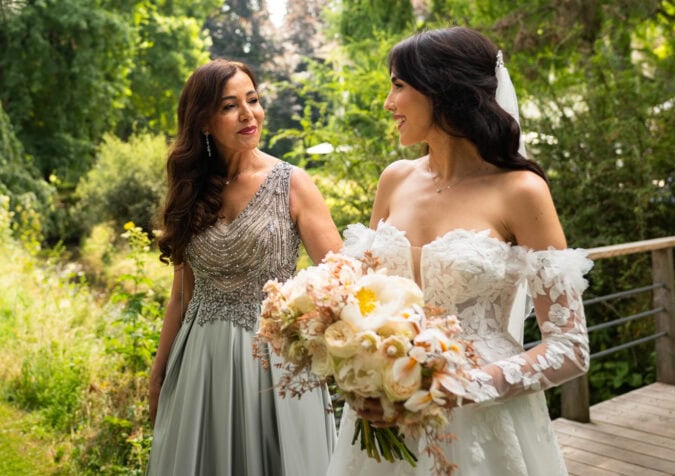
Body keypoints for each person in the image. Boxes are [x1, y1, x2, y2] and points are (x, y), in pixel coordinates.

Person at [327, 27, 593, 475]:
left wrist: (455, 386)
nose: (388, 104)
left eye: (398, 85)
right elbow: (359, 296)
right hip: (384, 413)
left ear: (443, 90)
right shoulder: (394, 179)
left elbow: (570, 347)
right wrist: (360, 365)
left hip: (481, 422)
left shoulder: (521, 191)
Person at [148, 58, 342, 475]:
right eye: (229, 106)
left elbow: (340, 280)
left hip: (277, 362)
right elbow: (182, 296)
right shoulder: (190, 189)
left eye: (252, 100)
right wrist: (159, 369)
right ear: (203, 122)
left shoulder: (293, 183)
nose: (248, 114)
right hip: (202, 363)